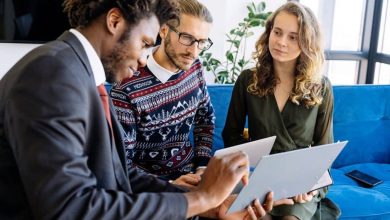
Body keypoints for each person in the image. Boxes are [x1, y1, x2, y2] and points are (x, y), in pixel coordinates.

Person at [0, 0, 285, 219]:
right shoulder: (52, 74)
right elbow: (71, 208)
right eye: (145, 43)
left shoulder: (79, 72)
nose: (142, 59)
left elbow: (121, 175)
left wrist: (209, 204)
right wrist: (201, 199)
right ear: (115, 21)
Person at [222, 2, 340, 220]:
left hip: (300, 184)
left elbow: (325, 150)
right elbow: (231, 136)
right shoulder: (248, 80)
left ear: (307, 42)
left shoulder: (321, 86)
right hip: (259, 180)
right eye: (277, 32)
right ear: (269, 32)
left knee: (289, 217)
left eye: (293, 37)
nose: (281, 42)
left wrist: (312, 186)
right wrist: (248, 175)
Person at [110, 0, 215, 189]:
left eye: (201, 42)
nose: (194, 51)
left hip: (194, 178)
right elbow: (121, 164)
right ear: (164, 30)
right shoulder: (126, 89)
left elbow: (205, 119)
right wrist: (170, 185)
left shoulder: (195, 67)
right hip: (154, 191)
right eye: (187, 38)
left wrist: (202, 166)